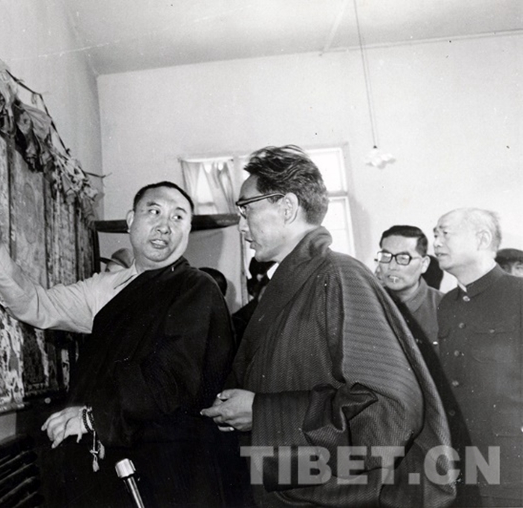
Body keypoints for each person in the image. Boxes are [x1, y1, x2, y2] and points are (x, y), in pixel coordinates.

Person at [201, 145, 455, 507]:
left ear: (287, 207)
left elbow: (390, 411)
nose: (241, 225)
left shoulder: (338, 275)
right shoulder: (298, 279)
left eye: (246, 209)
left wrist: (262, 412)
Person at [0, 181, 236, 507]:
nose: (165, 226)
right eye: (154, 211)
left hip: (170, 470)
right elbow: (37, 306)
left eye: (178, 217)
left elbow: (173, 381)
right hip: (107, 465)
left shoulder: (196, 288)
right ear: (130, 221)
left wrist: (95, 417)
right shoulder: (108, 288)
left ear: (188, 230)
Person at [434, 208, 523, 506]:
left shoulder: (519, 295)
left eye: (445, 233)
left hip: (513, 466)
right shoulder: (448, 303)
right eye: (435, 235)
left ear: (482, 239)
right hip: (463, 462)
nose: (437, 242)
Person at [375, 225, 443, 349]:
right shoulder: (370, 302)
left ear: (424, 264)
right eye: (386, 257)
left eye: (403, 258)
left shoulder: (445, 306)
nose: (392, 266)